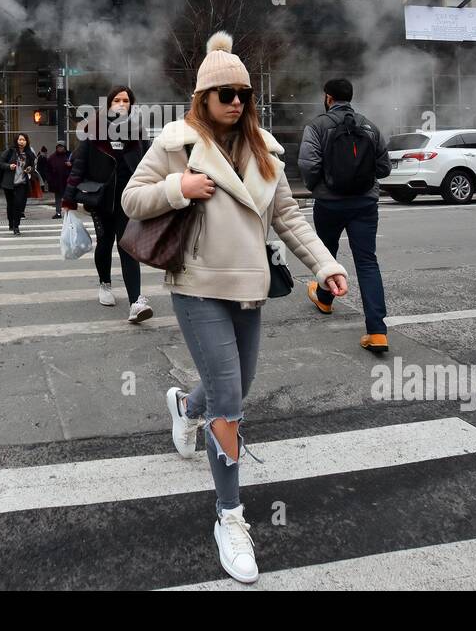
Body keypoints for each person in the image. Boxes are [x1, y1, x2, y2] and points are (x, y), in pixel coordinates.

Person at [122, 32, 348, 584]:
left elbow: (291, 217)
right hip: (197, 282)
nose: (236, 102)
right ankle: (230, 516)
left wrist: (324, 266)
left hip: (249, 286)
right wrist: (179, 186)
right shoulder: (176, 142)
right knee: (230, 399)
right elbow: (131, 198)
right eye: (224, 93)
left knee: (237, 385)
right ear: (203, 97)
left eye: (243, 93)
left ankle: (183, 407)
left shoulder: (265, 149)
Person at [298, 77, 392, 354]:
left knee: (326, 254)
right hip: (364, 205)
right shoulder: (369, 126)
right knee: (367, 262)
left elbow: (308, 164)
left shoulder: (317, 126)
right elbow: (384, 167)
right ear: (350, 97)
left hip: (329, 204)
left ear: (328, 97)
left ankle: (325, 299)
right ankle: (377, 332)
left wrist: (320, 188)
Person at [62, 86, 153, 324]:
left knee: (128, 247)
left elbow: (151, 166)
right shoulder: (94, 133)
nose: (122, 104)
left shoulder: (138, 134)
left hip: (128, 201)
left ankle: (136, 302)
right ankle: (105, 284)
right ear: (109, 104)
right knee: (105, 243)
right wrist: (68, 200)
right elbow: (79, 167)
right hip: (101, 201)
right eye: (117, 100)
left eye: (126, 100)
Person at [0, 133, 37, 234]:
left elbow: (33, 167)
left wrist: (30, 169)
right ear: (16, 141)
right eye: (20, 140)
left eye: (24, 140)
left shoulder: (29, 154)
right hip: (9, 183)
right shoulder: (10, 151)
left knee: (18, 205)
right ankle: (11, 223)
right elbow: (0, 163)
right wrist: (9, 166)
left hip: (22, 183)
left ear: (26, 142)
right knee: (10, 204)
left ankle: (16, 226)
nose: (21, 142)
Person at [46, 142, 72, 219]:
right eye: (58, 147)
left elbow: (76, 166)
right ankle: (58, 213)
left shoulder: (69, 156)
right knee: (58, 197)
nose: (60, 148)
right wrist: (49, 179)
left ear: (64, 147)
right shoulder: (52, 157)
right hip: (56, 181)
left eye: (62, 147)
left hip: (67, 181)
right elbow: (47, 169)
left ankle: (69, 213)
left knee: (68, 197)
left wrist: (71, 165)